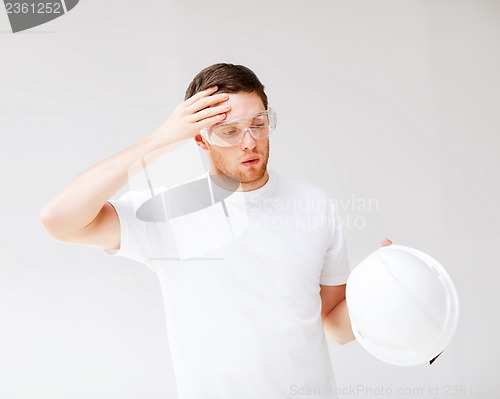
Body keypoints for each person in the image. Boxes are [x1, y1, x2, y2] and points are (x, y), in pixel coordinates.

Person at [40, 63, 392, 399]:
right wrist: (159, 140)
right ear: (200, 139)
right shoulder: (168, 210)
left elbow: (335, 325)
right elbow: (59, 220)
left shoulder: (315, 204)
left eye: (258, 123)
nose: (250, 142)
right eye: (230, 131)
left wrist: (384, 288)